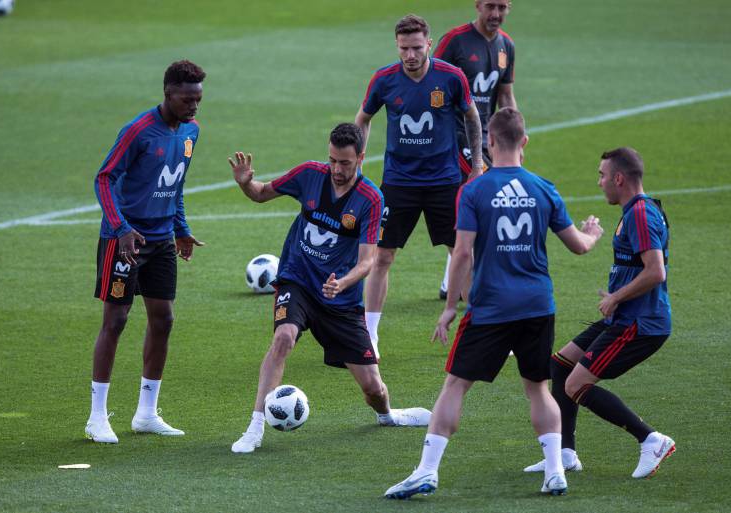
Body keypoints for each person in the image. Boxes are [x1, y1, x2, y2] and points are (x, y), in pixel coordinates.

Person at [384, 108, 604, 499]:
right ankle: (555, 470)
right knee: (537, 387)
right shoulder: (543, 187)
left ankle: (426, 471)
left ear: (489, 142)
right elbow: (578, 246)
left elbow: (463, 253)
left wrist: (451, 305)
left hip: (490, 308)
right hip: (538, 304)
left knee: (455, 385)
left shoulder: (474, 191)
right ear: (525, 142)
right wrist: (592, 234)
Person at [228, 123, 432, 454]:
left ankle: (388, 416)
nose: (337, 169)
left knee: (373, 388)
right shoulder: (309, 174)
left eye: (346, 163)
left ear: (361, 158)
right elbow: (261, 193)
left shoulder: (371, 199)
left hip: (341, 300)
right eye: (333, 160)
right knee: (283, 338)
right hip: (298, 280)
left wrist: (343, 282)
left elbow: (368, 261)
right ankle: (254, 427)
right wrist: (246, 183)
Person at [524, 148, 675, 479]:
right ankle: (565, 454)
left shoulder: (640, 214)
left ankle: (651, 439)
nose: (600, 182)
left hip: (641, 323)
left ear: (619, 178)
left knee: (576, 385)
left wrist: (616, 297)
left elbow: (656, 271)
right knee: (560, 365)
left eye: (602, 175)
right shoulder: (637, 210)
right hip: (624, 315)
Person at [85, 60, 206, 444]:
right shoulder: (138, 131)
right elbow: (104, 178)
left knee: (164, 319)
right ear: (168, 94)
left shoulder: (191, 131)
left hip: (161, 239)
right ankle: (97, 417)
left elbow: (176, 184)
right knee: (116, 321)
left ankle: (146, 413)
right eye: (187, 99)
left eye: (198, 99)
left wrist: (182, 230)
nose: (194, 106)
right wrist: (120, 229)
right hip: (125, 239)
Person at [355, 14, 484, 359]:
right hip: (398, 183)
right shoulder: (384, 80)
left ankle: (482, 330)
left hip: (444, 181)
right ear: (396, 46)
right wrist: (358, 159)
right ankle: (370, 334)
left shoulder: (451, 77)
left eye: (416, 47)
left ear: (429, 43)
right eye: (403, 48)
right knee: (382, 256)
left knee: (461, 253)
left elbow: (472, 116)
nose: (410, 55)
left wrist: (479, 165)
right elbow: (363, 118)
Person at [433, 0, 517, 300]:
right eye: (490, 6)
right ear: (477, 5)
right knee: (480, 204)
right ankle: (477, 283)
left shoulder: (506, 45)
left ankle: (450, 279)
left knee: (475, 207)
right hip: (454, 138)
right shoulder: (454, 41)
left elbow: (505, 95)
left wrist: (517, 134)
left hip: (486, 138)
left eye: (502, 7)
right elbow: (432, 83)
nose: (495, 14)